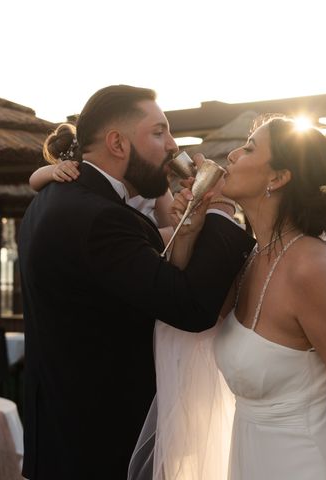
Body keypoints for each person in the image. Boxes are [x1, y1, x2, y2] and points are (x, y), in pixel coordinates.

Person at [131, 115, 326, 480]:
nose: (234, 155)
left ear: (277, 177)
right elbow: (189, 314)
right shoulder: (253, 258)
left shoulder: (312, 269)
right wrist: (189, 230)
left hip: (309, 466)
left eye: (250, 147)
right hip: (250, 462)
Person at [17, 84, 252, 479]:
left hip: (62, 446)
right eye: (159, 132)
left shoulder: (52, 202)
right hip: (100, 452)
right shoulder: (101, 220)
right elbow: (189, 306)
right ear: (117, 143)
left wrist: (191, 226)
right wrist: (223, 211)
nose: (173, 145)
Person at [28, 141, 176, 244]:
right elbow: (33, 180)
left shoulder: (156, 189)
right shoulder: (87, 196)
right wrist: (54, 170)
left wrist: (144, 237)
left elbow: (175, 228)